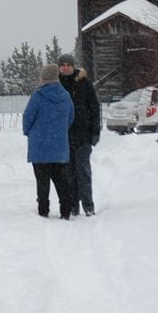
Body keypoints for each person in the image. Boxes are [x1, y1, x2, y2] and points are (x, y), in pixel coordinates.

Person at [22, 65, 75, 219]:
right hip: (59, 146)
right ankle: (65, 209)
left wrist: (29, 132)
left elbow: (28, 117)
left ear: (43, 78)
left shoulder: (38, 96)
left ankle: (43, 209)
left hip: (40, 145)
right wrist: (59, 131)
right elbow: (70, 118)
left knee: (42, 181)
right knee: (61, 180)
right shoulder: (65, 96)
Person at [61, 54, 102, 216]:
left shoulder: (85, 84)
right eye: (62, 65)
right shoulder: (56, 85)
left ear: (73, 66)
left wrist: (95, 131)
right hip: (64, 138)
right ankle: (73, 206)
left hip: (83, 136)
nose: (65, 67)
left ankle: (88, 205)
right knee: (68, 173)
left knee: (84, 172)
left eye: (68, 64)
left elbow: (94, 109)